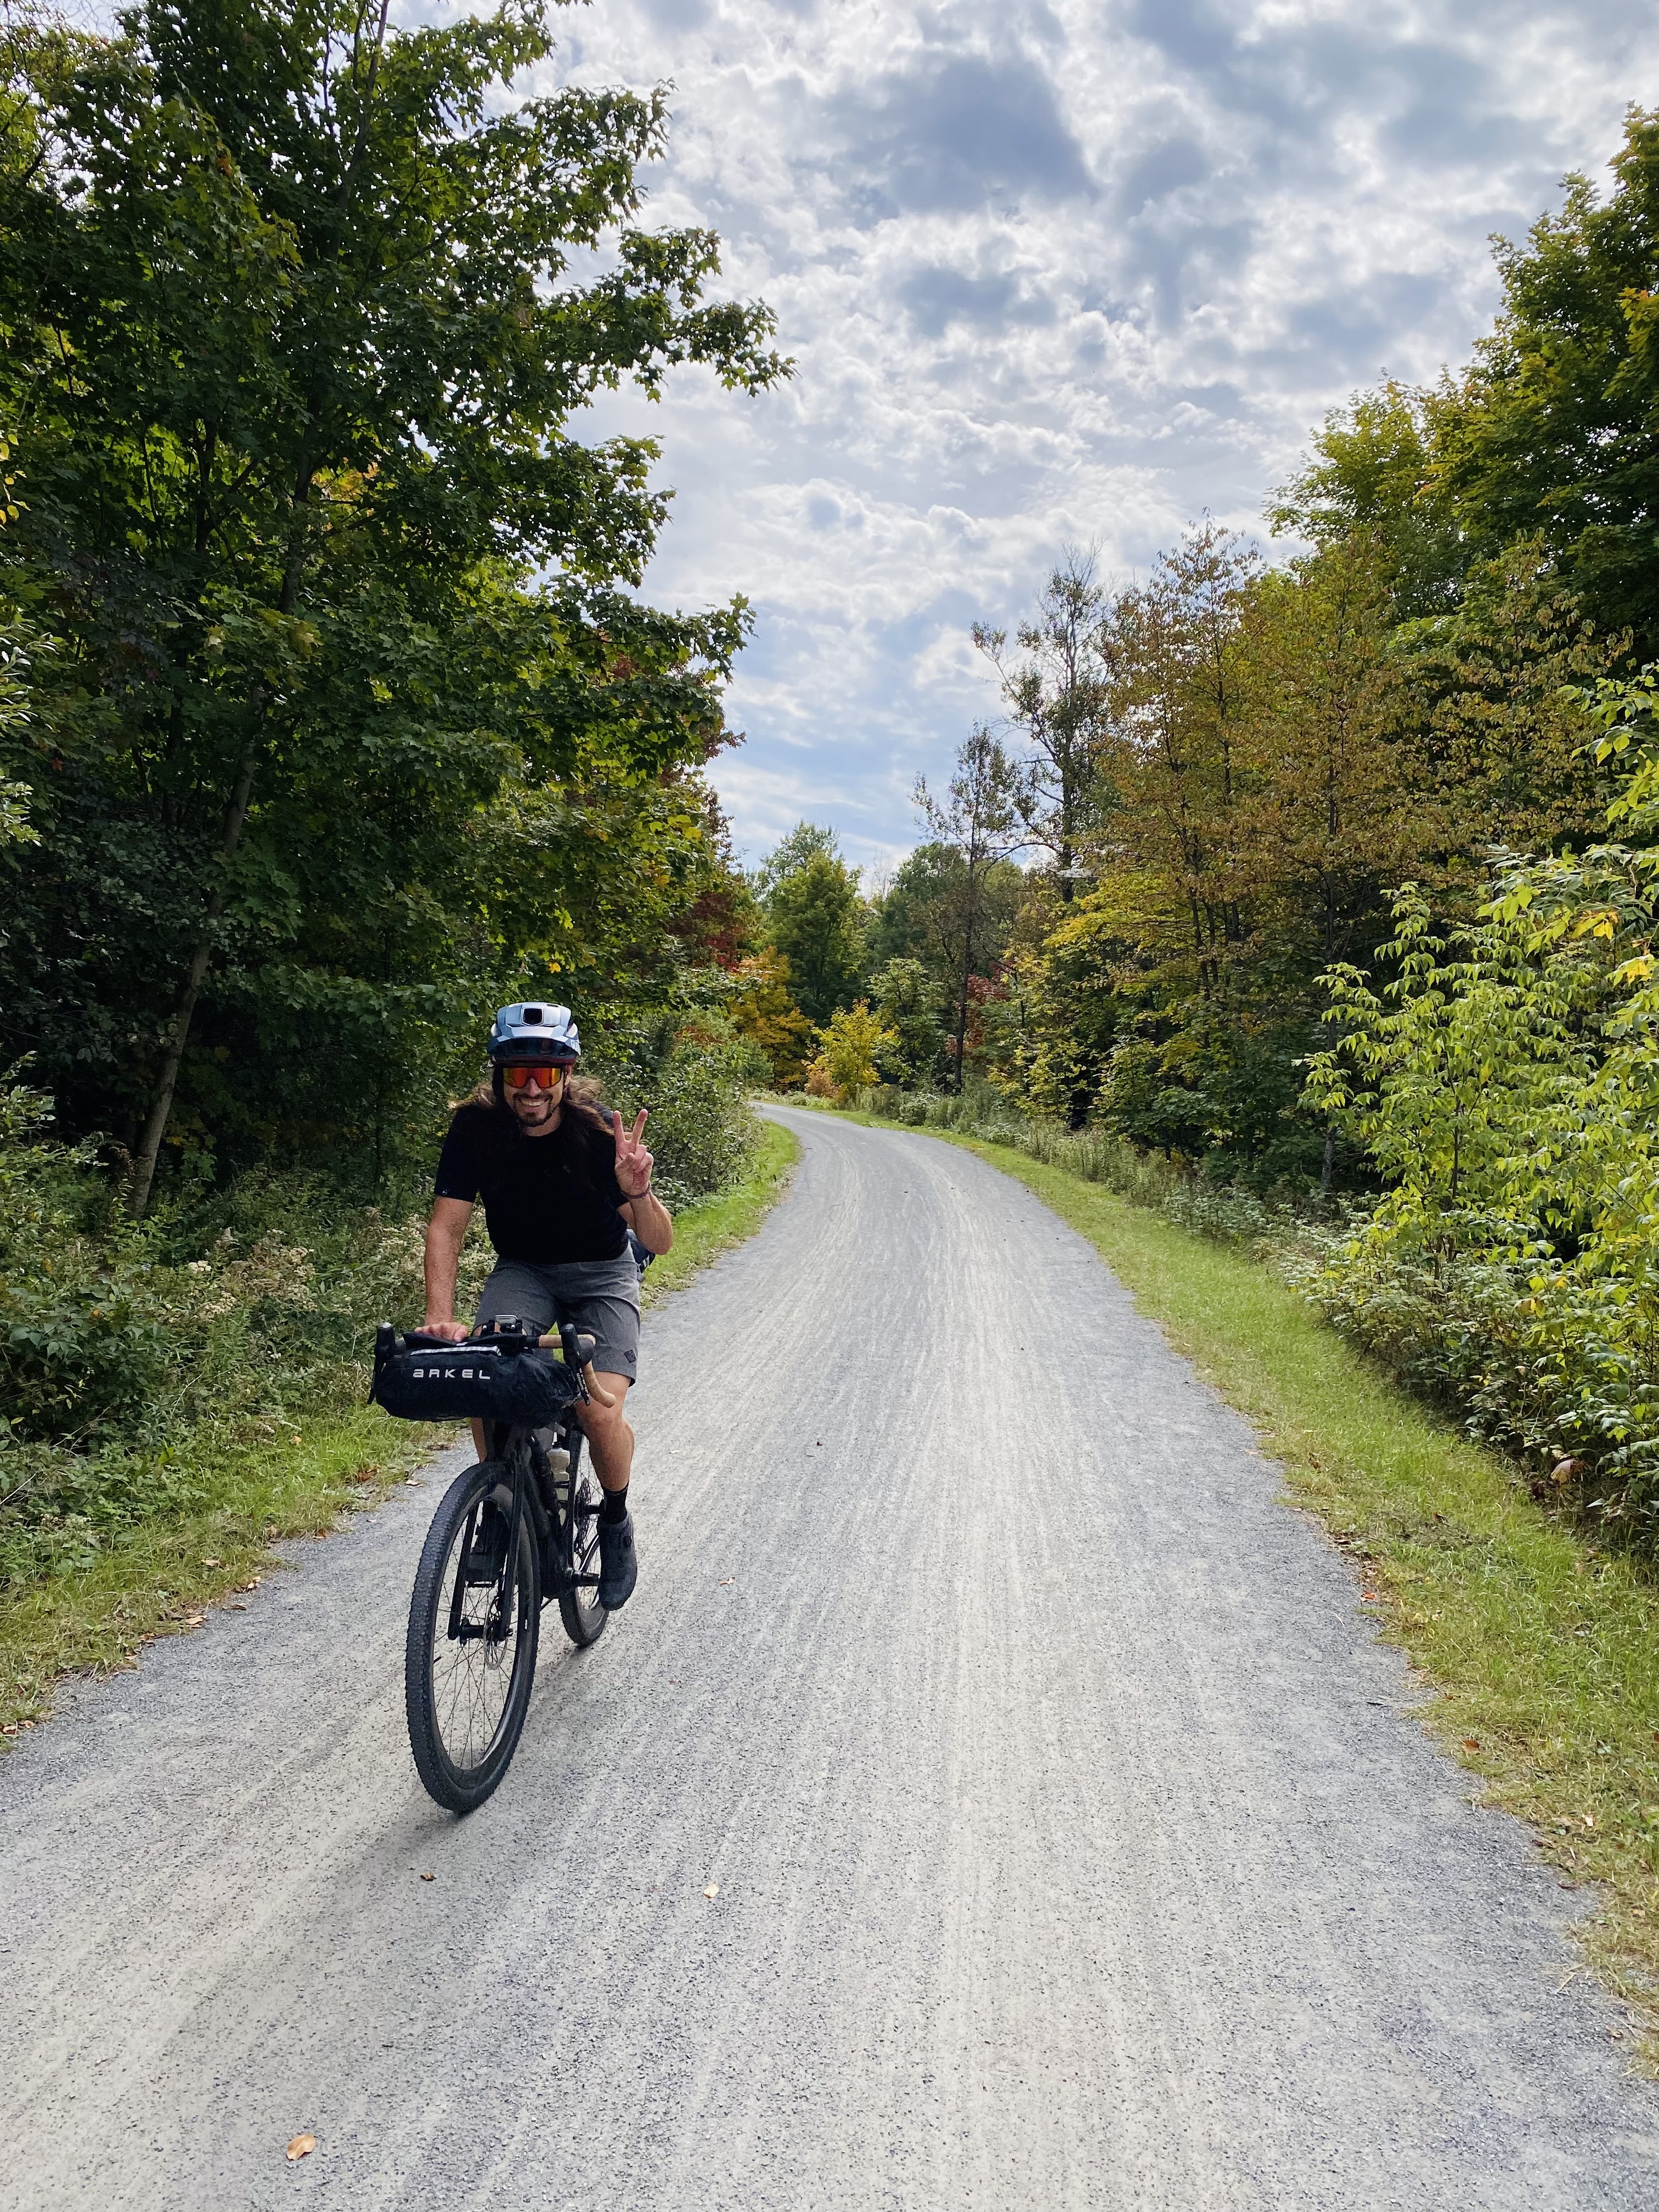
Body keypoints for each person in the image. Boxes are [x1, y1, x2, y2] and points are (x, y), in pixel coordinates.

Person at [420, 1002, 673, 1611]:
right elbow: (446, 1229)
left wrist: (639, 1192)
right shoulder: (476, 1130)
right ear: (499, 1076)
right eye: (518, 1074)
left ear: (566, 1075)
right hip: (524, 1271)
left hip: (601, 1273)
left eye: (545, 1074)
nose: (531, 1089)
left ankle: (613, 1519)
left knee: (599, 1411)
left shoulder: (595, 1136)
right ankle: (502, 1509)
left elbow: (660, 1242)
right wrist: (439, 1316)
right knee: (486, 1377)